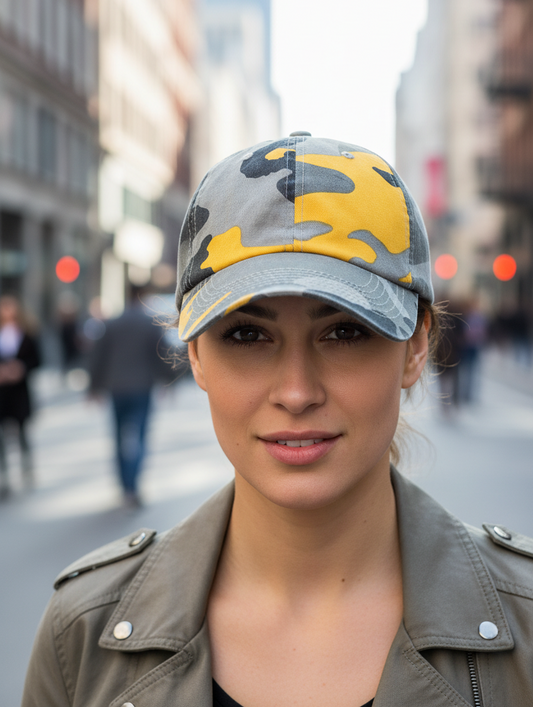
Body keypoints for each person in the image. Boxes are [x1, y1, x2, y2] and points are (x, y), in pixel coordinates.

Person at [22, 134, 533, 706]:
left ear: (416, 346)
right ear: (194, 353)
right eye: (247, 334)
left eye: (344, 331)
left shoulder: (526, 628)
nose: (296, 391)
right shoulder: (85, 631)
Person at [88, 285, 169, 507]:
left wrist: (93, 388)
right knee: (139, 437)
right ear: (143, 297)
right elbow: (161, 354)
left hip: (117, 388)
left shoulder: (112, 323)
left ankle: (124, 486)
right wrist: (168, 381)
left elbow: (98, 357)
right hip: (142, 387)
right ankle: (133, 486)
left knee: (119, 437)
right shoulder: (150, 323)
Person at [0, 295, 40, 496]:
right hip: (2, 394)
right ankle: (4, 476)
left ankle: (27, 470)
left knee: (23, 433)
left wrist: (21, 368)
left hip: (20, 393)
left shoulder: (26, 334)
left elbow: (37, 360)